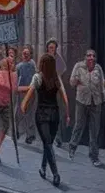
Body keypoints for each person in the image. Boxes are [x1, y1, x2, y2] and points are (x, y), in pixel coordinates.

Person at [20, 53, 71, 185]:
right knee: (48, 144)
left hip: (42, 115)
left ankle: (51, 172)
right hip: (55, 114)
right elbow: (64, 96)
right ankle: (51, 172)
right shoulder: (56, 79)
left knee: (47, 144)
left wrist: (23, 104)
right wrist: (67, 112)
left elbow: (30, 93)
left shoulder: (38, 77)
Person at [68, 49, 105, 166]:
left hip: (96, 102)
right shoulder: (78, 66)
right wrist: (76, 79)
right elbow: (71, 82)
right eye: (89, 56)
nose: (91, 58)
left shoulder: (98, 68)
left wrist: (104, 99)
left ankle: (94, 156)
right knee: (79, 125)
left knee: (94, 129)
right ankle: (72, 147)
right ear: (85, 57)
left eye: (93, 56)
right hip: (82, 101)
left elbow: (102, 85)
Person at [15, 47, 37, 144]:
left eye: (27, 53)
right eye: (24, 53)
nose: (25, 55)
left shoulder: (33, 64)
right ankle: (17, 131)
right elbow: (16, 80)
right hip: (21, 92)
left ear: (30, 54)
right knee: (18, 113)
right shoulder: (19, 66)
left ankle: (30, 135)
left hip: (30, 92)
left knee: (29, 113)